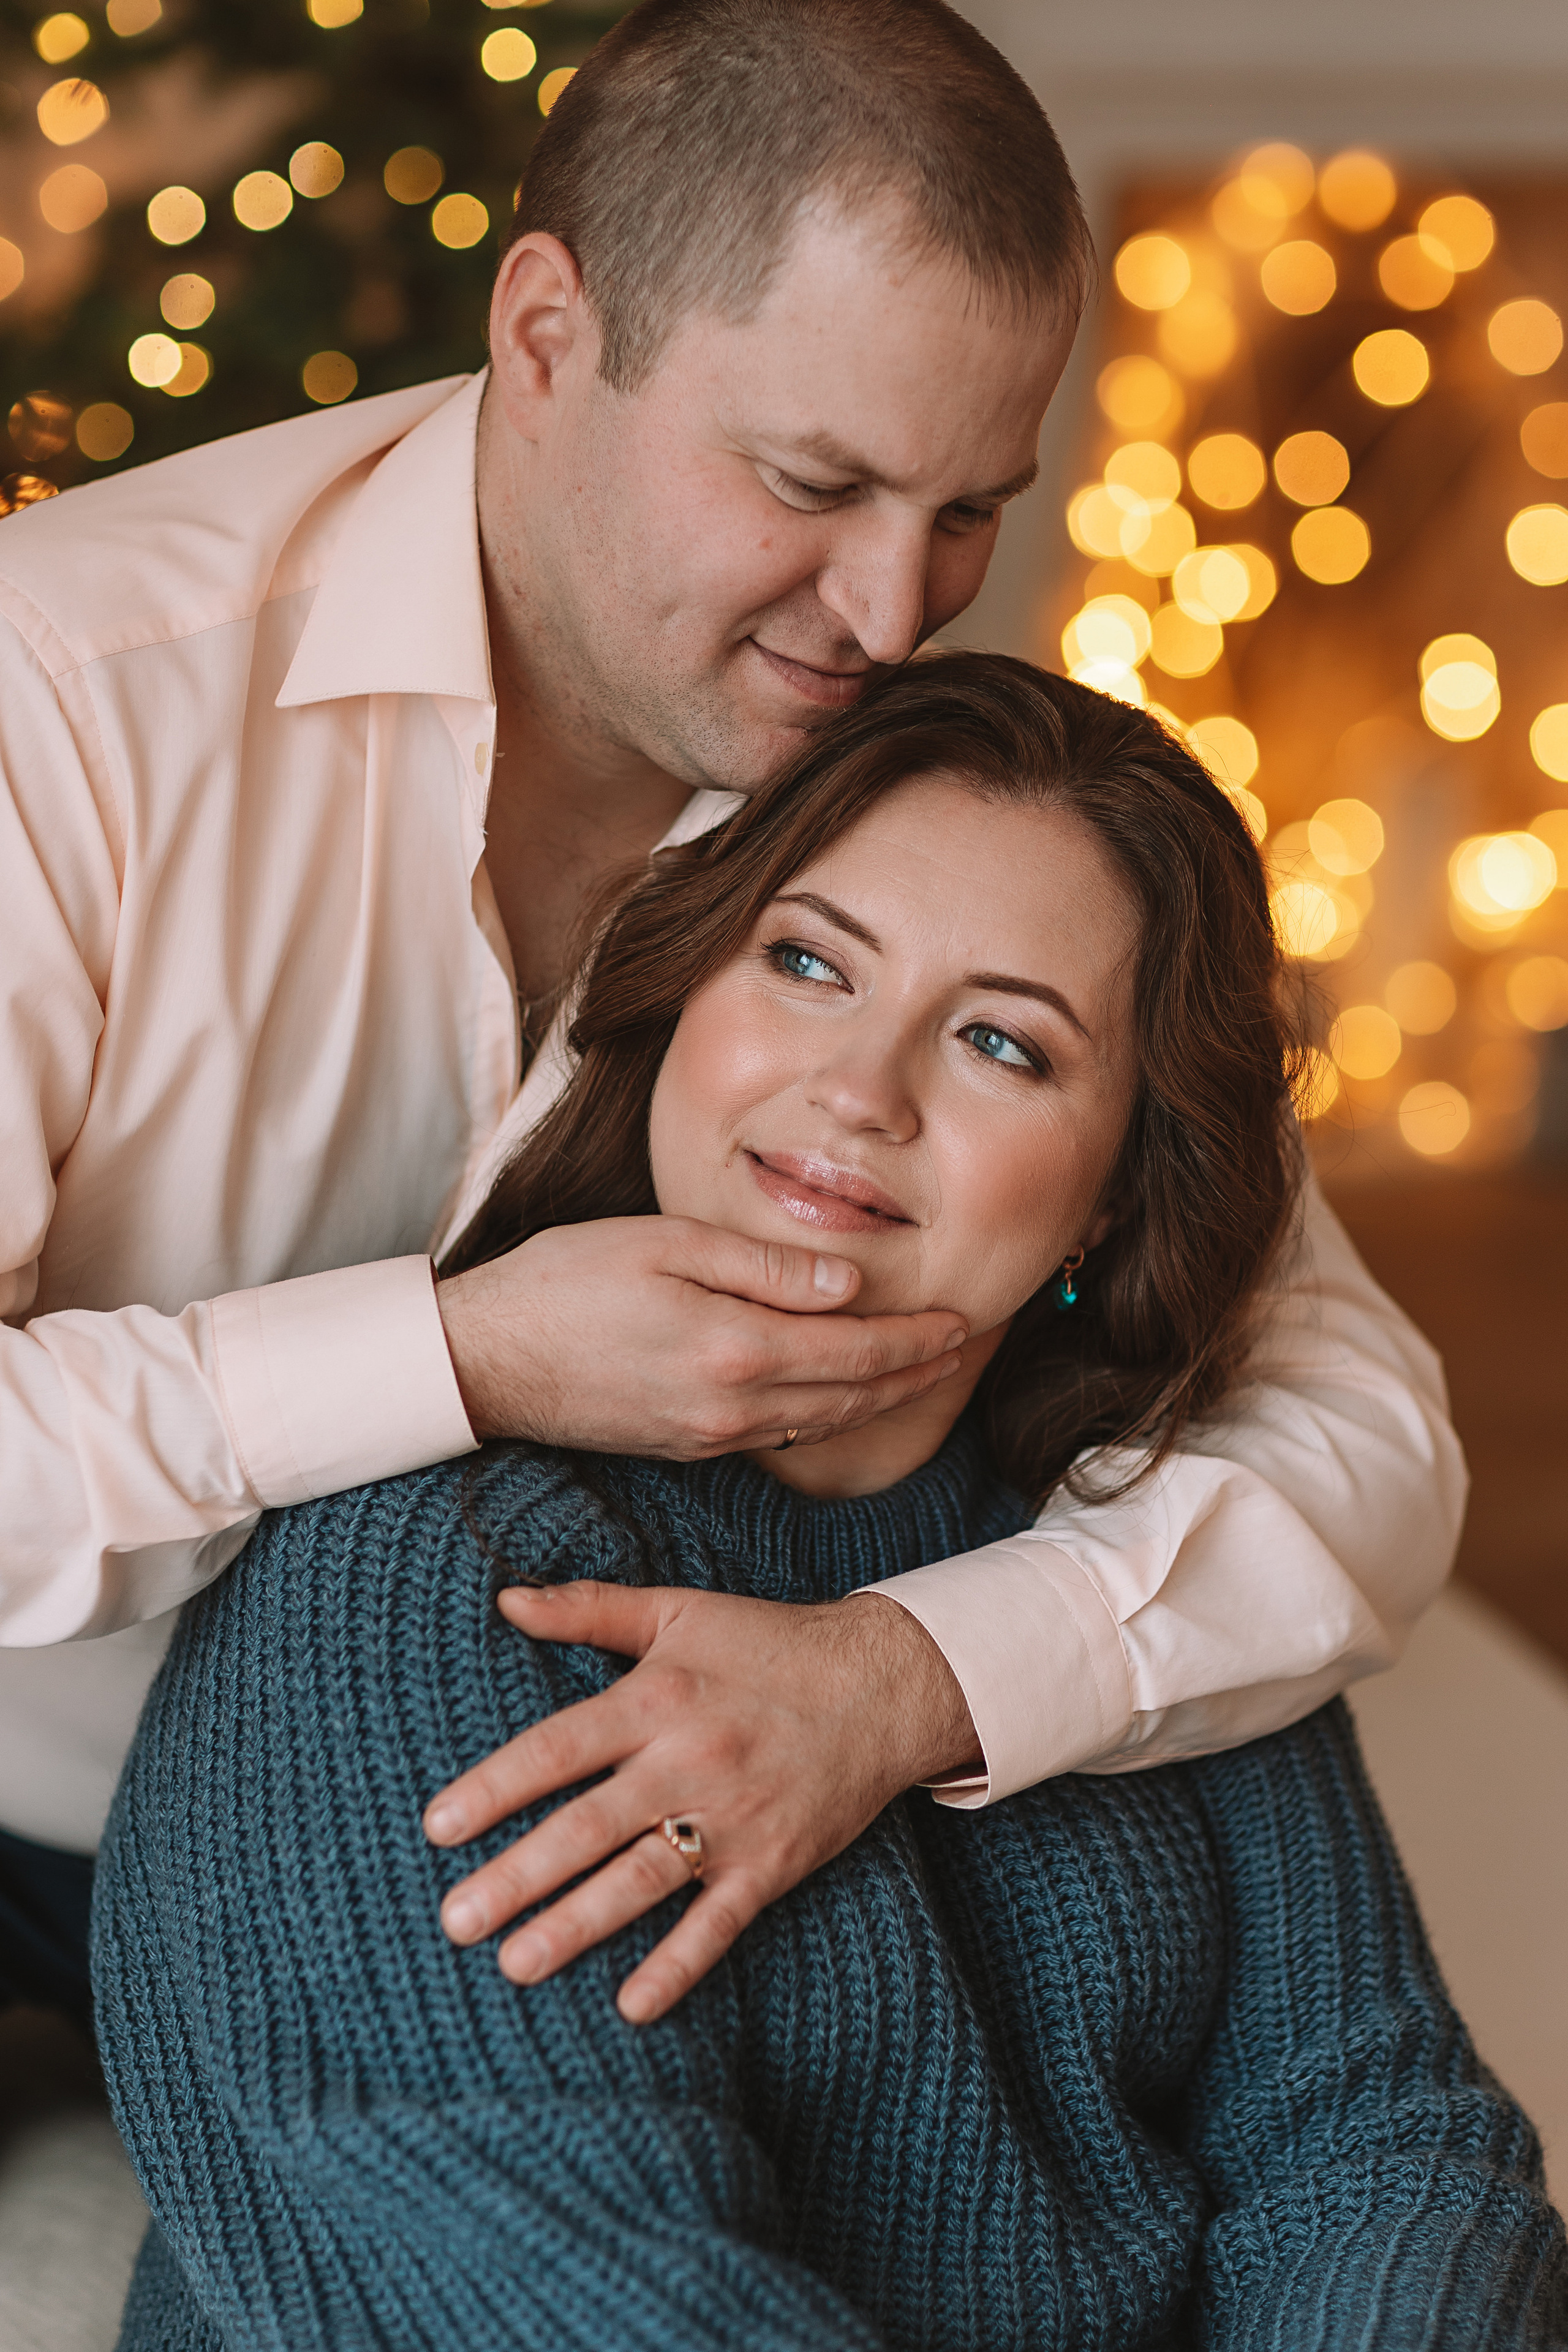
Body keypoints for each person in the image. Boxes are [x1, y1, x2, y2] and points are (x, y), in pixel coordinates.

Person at [2, 0, 1463, 2034]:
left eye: (969, 510)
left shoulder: (887, 753)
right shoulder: (63, 701)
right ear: (542, 335)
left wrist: (907, 1677)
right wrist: (459, 1355)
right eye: (812, 481)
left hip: (583, 1798)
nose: (889, 612)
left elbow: (1360, 1423)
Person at [93, 659, 1564, 2352]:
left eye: (1004, 1043)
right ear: (675, 1003)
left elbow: (1388, 2149)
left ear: (1109, 1196)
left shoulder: (1146, 1557)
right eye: (805, 964)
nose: (863, 1089)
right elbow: (558, 2291)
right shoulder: (424, 1577)